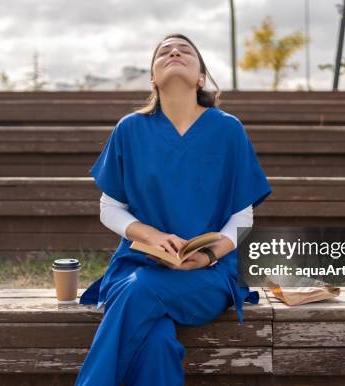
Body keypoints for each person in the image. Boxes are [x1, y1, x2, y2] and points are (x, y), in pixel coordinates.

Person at [74, 32, 271, 386]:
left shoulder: (228, 131)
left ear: (201, 78)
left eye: (185, 51)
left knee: (140, 291)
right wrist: (153, 236)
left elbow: (243, 219)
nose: (174, 51)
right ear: (153, 77)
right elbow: (109, 207)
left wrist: (209, 254)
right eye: (164, 51)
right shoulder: (130, 129)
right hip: (138, 265)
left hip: (207, 275)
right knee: (157, 344)